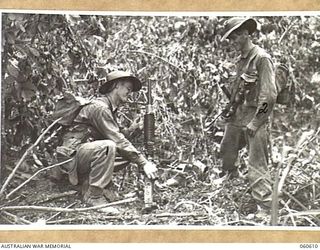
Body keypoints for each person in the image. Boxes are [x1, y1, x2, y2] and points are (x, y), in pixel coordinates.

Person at [55, 70, 158, 211]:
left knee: (125, 154)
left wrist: (133, 129)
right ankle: (94, 197)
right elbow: (116, 140)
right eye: (128, 88)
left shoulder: (108, 109)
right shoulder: (100, 108)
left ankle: (88, 184)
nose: (130, 92)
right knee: (109, 146)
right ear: (116, 86)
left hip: (82, 154)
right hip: (71, 157)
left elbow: (118, 137)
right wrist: (144, 163)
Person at [219, 17, 277, 209]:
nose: (232, 42)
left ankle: (266, 205)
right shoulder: (242, 60)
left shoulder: (261, 58)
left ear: (245, 34)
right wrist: (230, 110)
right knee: (227, 148)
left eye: (234, 37)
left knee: (257, 162)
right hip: (239, 115)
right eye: (229, 39)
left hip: (255, 118)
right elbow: (239, 91)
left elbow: (269, 96)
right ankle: (232, 181)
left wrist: (256, 122)